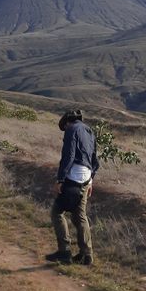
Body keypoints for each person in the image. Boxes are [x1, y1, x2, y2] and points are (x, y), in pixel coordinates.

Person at [45, 108, 100, 265]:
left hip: (73, 177)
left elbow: (68, 156)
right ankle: (86, 254)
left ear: (67, 122)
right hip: (86, 178)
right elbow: (95, 159)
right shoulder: (89, 131)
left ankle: (64, 252)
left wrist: (60, 179)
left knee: (57, 212)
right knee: (79, 215)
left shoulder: (71, 130)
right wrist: (91, 180)